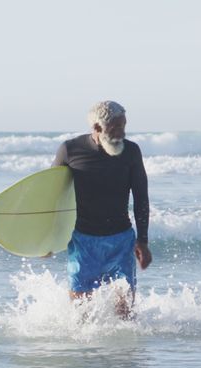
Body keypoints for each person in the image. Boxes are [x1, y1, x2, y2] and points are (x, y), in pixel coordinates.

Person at [52, 101, 152, 318]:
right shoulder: (70, 150)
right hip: (82, 242)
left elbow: (141, 196)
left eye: (123, 126)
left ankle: (124, 352)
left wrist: (142, 240)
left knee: (125, 313)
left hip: (121, 240)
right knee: (81, 315)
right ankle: (86, 352)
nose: (121, 133)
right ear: (97, 128)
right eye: (115, 128)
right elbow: (52, 196)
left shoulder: (131, 151)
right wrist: (47, 239)